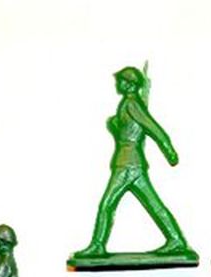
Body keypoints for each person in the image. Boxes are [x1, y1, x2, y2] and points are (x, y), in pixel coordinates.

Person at [75, 66, 192, 257]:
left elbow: (153, 128)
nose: (117, 84)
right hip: (129, 162)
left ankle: (98, 245)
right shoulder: (128, 104)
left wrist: (168, 150)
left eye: (120, 81)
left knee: (107, 205)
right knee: (154, 205)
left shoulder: (131, 104)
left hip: (128, 164)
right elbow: (127, 135)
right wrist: (114, 127)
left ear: (130, 84)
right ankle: (176, 239)